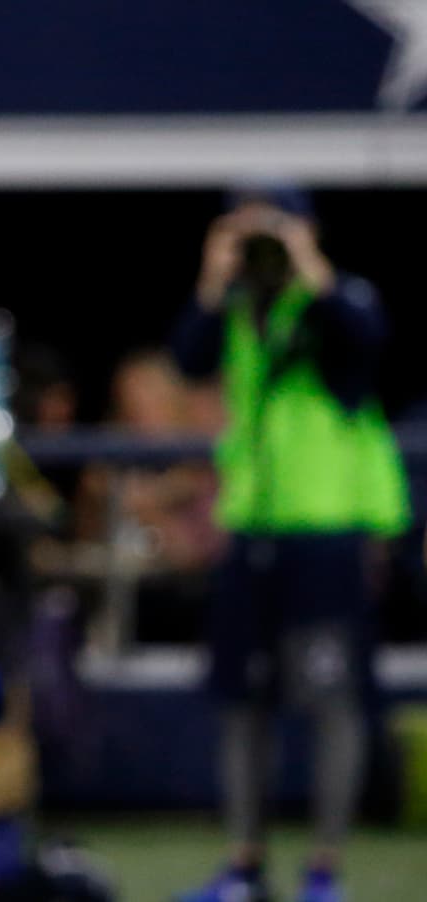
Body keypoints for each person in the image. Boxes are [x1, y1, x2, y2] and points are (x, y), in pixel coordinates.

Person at [171, 183, 410, 902]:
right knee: (241, 704)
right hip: (252, 533)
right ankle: (244, 868)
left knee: (332, 703)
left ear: (308, 231)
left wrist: (308, 265)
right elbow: (187, 358)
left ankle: (324, 870)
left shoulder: (344, 299)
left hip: (329, 536)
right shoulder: (238, 310)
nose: (262, 247)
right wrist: (214, 278)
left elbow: (367, 345)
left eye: (272, 228)